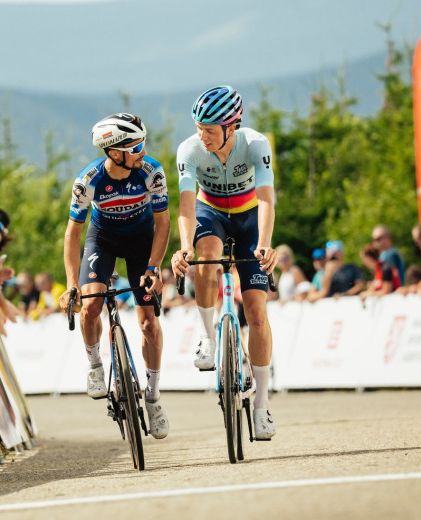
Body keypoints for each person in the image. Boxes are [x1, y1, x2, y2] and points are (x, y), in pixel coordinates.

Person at [169, 85, 277, 440]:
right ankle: (207, 336)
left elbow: (265, 199)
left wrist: (263, 245)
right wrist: (186, 246)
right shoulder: (189, 150)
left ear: (232, 126)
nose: (202, 136)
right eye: (199, 127)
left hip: (248, 218)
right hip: (209, 211)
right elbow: (186, 204)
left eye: (210, 130)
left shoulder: (256, 144)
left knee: (257, 312)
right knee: (208, 257)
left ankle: (261, 405)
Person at [59, 113, 171, 439]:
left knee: (149, 321)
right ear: (114, 151)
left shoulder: (151, 171)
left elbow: (163, 223)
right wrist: (71, 283)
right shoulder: (88, 180)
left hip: (141, 241)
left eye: (143, 143)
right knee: (91, 305)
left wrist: (154, 267)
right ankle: (95, 364)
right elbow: (72, 234)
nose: (143, 151)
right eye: (135, 146)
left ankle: (152, 396)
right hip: (102, 240)